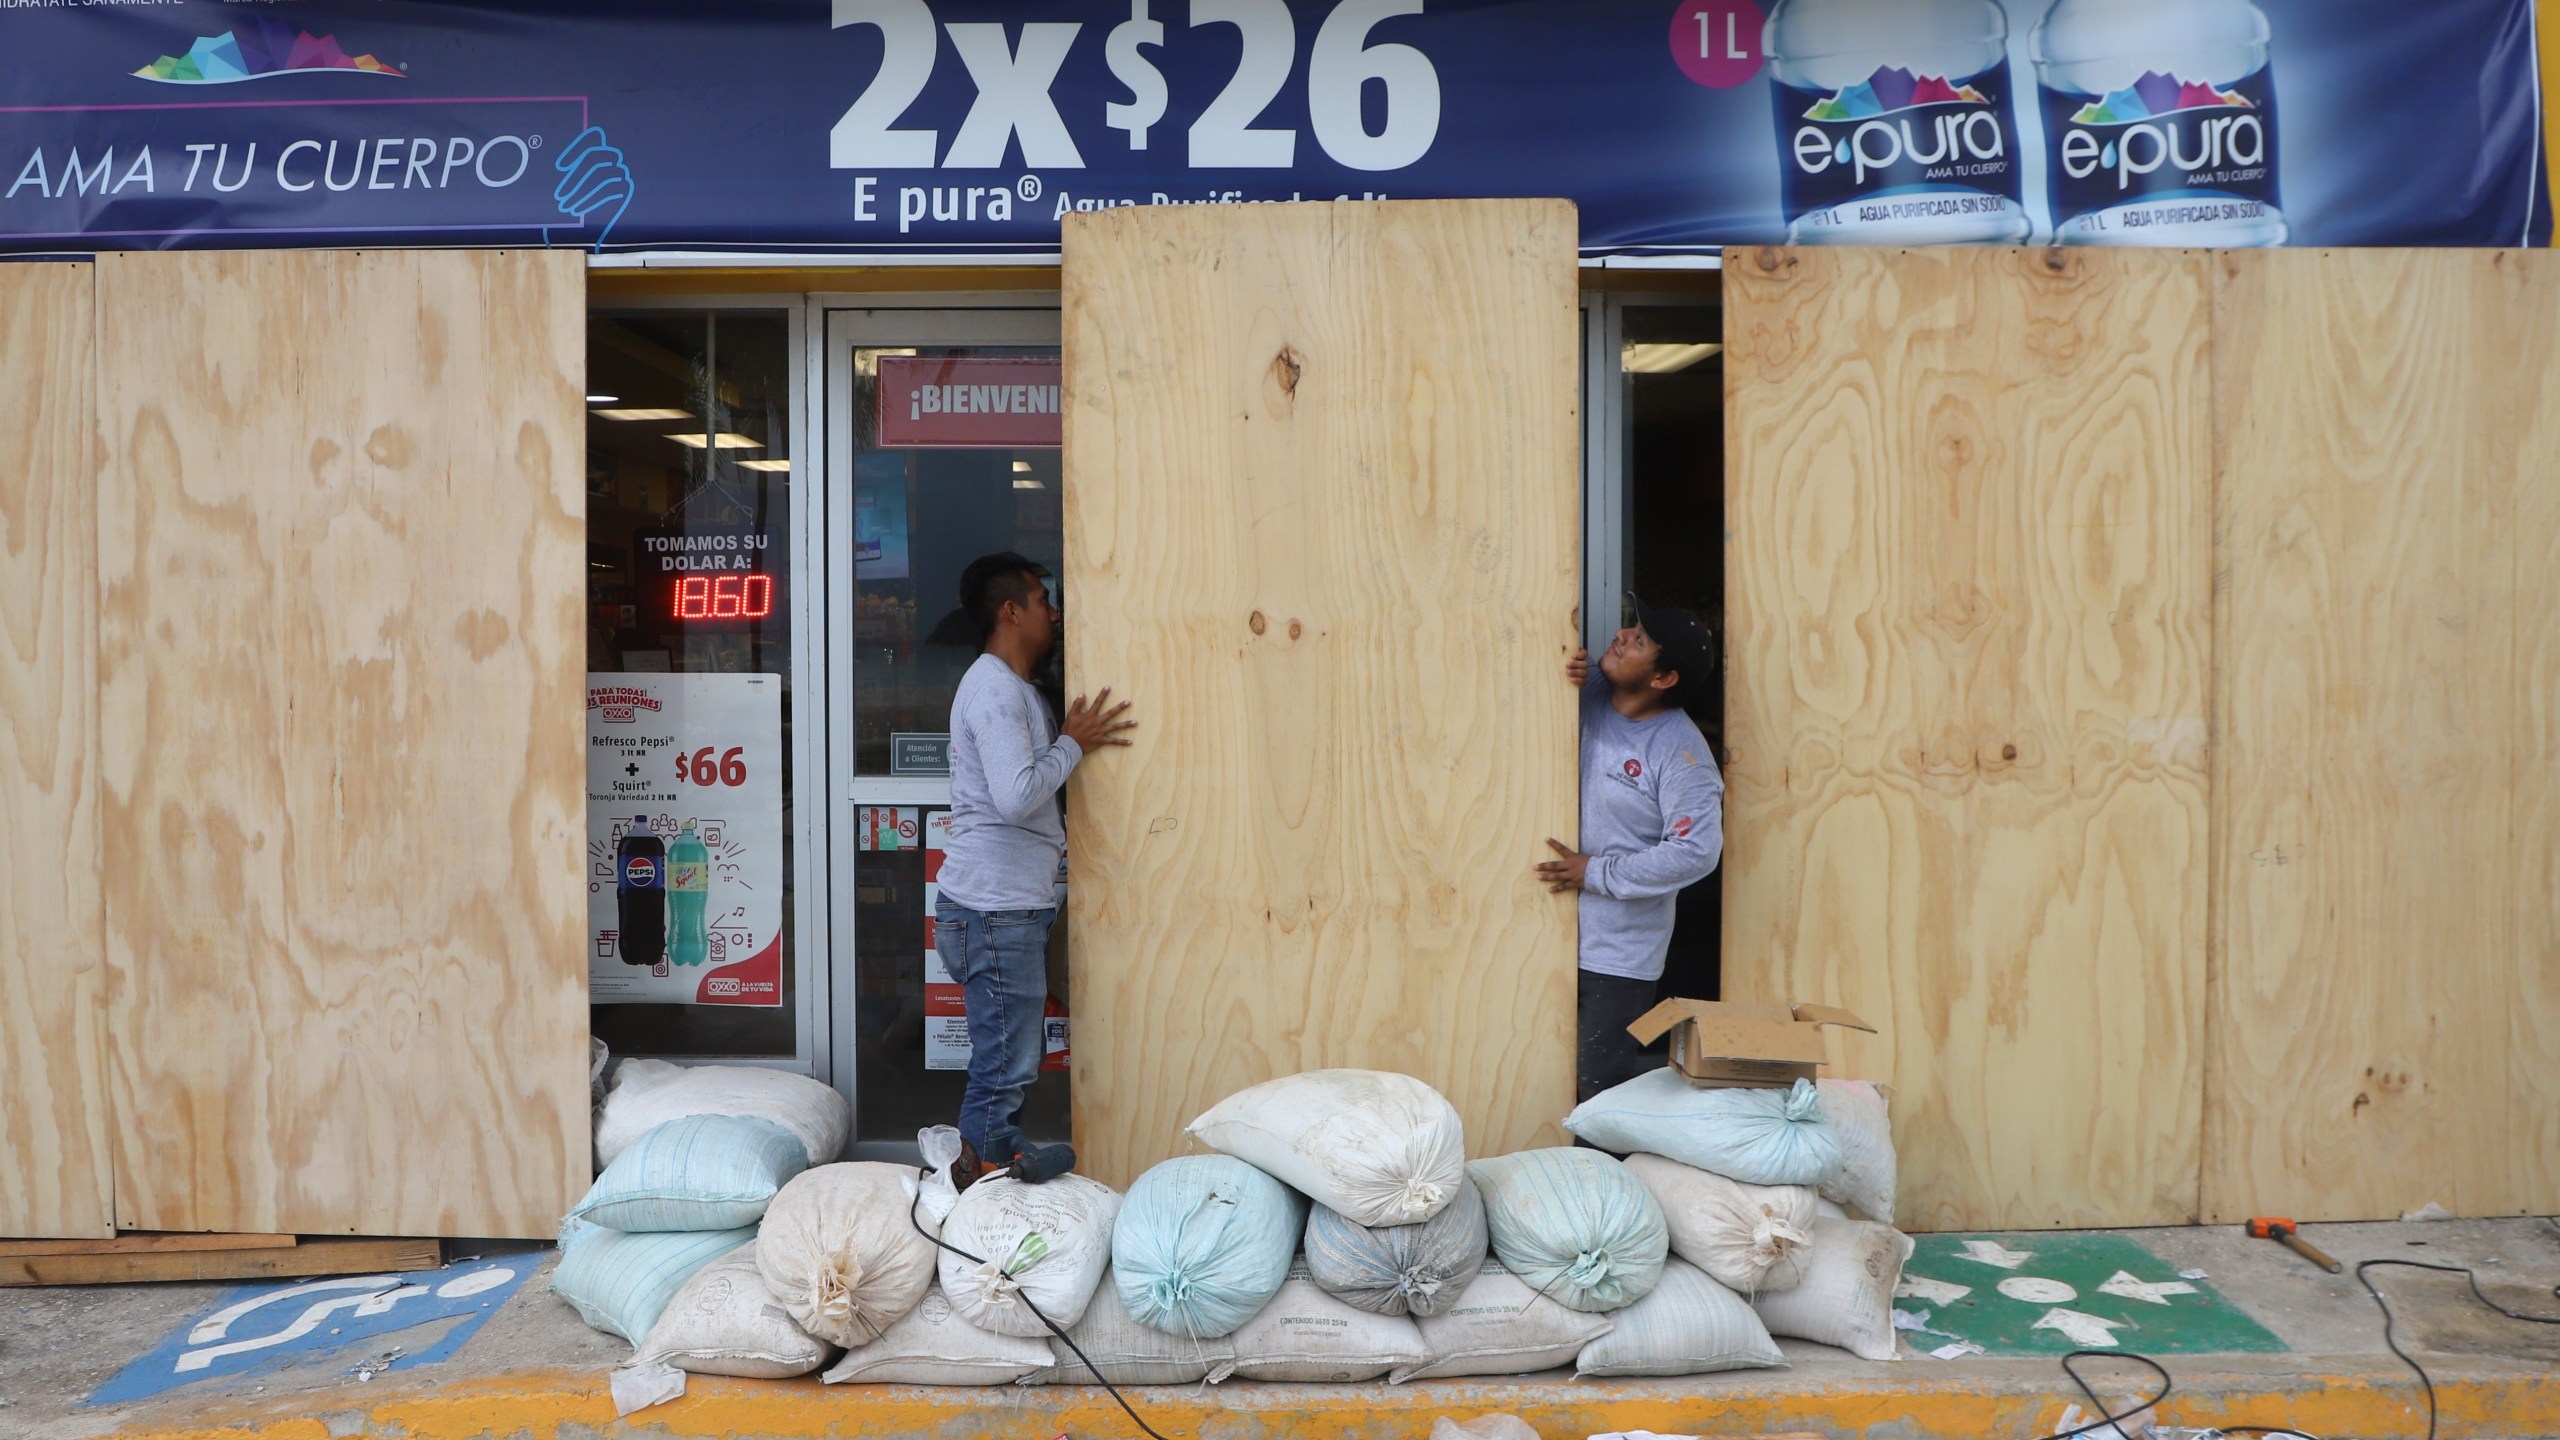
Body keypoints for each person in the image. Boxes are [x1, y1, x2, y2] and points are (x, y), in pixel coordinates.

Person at [939, 552, 1134, 1186]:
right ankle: (975, 1187)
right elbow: (1017, 794)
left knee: (1008, 1063)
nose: (1054, 612)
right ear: (1011, 610)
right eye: (1043, 600)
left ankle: (996, 1161)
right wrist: (1074, 741)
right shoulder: (995, 689)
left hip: (1003, 908)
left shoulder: (1013, 688)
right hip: (992, 912)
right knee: (1004, 1068)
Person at [1537, 596, 1726, 1103]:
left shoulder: (1681, 753)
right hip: (1539, 929)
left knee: (1596, 1090)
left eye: (1639, 641)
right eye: (1630, 629)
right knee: (1530, 1069)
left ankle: (1600, 1179)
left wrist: (1595, 872)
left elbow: (1696, 852)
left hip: (1615, 956)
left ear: (1662, 679)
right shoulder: (1593, 689)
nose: (1621, 637)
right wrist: (1560, 668)